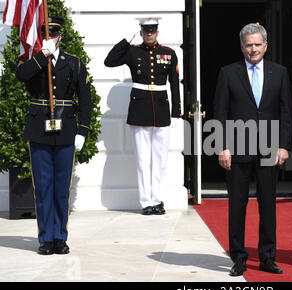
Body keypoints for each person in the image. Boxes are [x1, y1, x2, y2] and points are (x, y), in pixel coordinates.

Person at [214, 23, 292, 276]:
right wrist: (222, 146)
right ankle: (238, 258)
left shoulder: (279, 72)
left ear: (266, 46)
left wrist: (284, 145)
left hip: (270, 147)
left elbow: (285, 111)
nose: (253, 49)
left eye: (258, 44)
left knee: (267, 204)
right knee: (237, 205)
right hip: (237, 147)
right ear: (242, 46)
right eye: (249, 44)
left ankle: (268, 257)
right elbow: (221, 112)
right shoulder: (228, 73)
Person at [15, 16, 92, 255]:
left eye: (54, 34)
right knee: (43, 186)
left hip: (66, 130)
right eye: (46, 34)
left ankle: (60, 236)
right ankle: (45, 238)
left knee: (61, 188)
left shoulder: (74, 63)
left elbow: (85, 100)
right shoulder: (34, 61)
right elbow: (21, 75)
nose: (51, 38)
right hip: (39, 130)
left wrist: (83, 130)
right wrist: (42, 55)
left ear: (60, 35)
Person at [104, 17, 182, 215]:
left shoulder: (169, 54)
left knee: (160, 159)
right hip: (139, 110)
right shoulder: (132, 52)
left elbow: (175, 84)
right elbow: (109, 61)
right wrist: (125, 41)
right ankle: (146, 202)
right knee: (142, 160)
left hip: (161, 109)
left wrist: (176, 112)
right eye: (145, 30)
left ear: (157, 32)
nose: (149, 33)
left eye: (152, 30)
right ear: (140, 32)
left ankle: (157, 200)